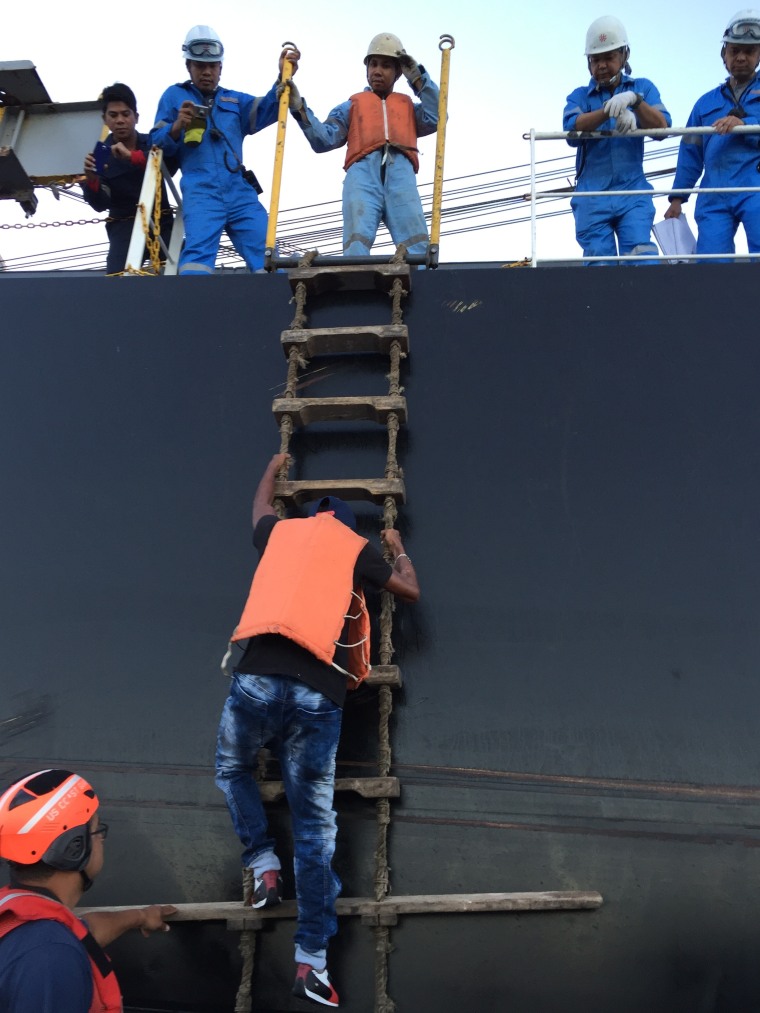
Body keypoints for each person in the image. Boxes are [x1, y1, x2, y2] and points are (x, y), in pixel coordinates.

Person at [215, 453, 420, 1007]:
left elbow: (257, 506)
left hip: (257, 679)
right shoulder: (356, 552)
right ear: (348, 530)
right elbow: (409, 592)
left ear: (312, 520)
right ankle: (311, 964)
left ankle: (262, 863)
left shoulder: (281, 532)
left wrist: (271, 468)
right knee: (314, 828)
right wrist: (397, 548)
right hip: (317, 696)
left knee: (233, 766)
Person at [0, 768, 176, 1012]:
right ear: (74, 848)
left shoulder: (18, 916)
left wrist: (142, 916)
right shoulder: (51, 958)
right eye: (96, 831)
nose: (101, 840)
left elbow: (84, 931)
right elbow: (61, 944)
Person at [151, 26, 299, 276]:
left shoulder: (234, 100)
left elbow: (268, 109)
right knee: (197, 258)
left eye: (212, 66)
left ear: (221, 68)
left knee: (267, 253)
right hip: (201, 190)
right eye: (200, 66)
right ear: (189, 66)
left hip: (239, 190)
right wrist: (176, 127)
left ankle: (278, 308)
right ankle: (194, 308)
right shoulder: (173, 96)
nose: (207, 72)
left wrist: (282, 77)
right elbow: (155, 143)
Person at [285, 32, 439, 258]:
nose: (377, 71)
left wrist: (418, 78)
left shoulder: (408, 107)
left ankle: (422, 281)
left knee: (416, 244)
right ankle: (355, 280)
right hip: (362, 175)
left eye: (386, 66)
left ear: (397, 73)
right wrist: (298, 108)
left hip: (401, 175)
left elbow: (435, 117)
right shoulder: (352, 106)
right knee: (357, 241)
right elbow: (323, 139)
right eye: (373, 64)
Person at [563, 16, 671, 264]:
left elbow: (662, 127)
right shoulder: (579, 96)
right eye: (595, 59)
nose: (601, 65)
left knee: (641, 258)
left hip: (632, 192)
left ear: (624, 56)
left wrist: (635, 101)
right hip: (592, 196)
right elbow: (571, 129)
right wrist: (608, 110)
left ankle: (643, 302)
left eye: (608, 57)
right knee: (599, 265)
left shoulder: (643, 87)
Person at [665, 10, 760, 260]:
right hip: (714, 193)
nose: (741, 57)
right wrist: (677, 198)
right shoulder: (705, 104)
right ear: (724, 55)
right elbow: (690, 154)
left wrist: (745, 123)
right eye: (734, 51)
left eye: (749, 52)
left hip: (756, 188)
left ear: (759, 55)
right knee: (712, 265)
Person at [80, 83, 173, 275]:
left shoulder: (153, 143)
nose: (120, 120)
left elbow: (169, 167)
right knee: (118, 281)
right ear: (105, 120)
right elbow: (99, 204)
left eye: (125, 114)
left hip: (162, 223)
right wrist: (91, 179)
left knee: (178, 277)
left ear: (136, 117)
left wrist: (134, 157)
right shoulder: (99, 156)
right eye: (113, 115)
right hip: (123, 227)